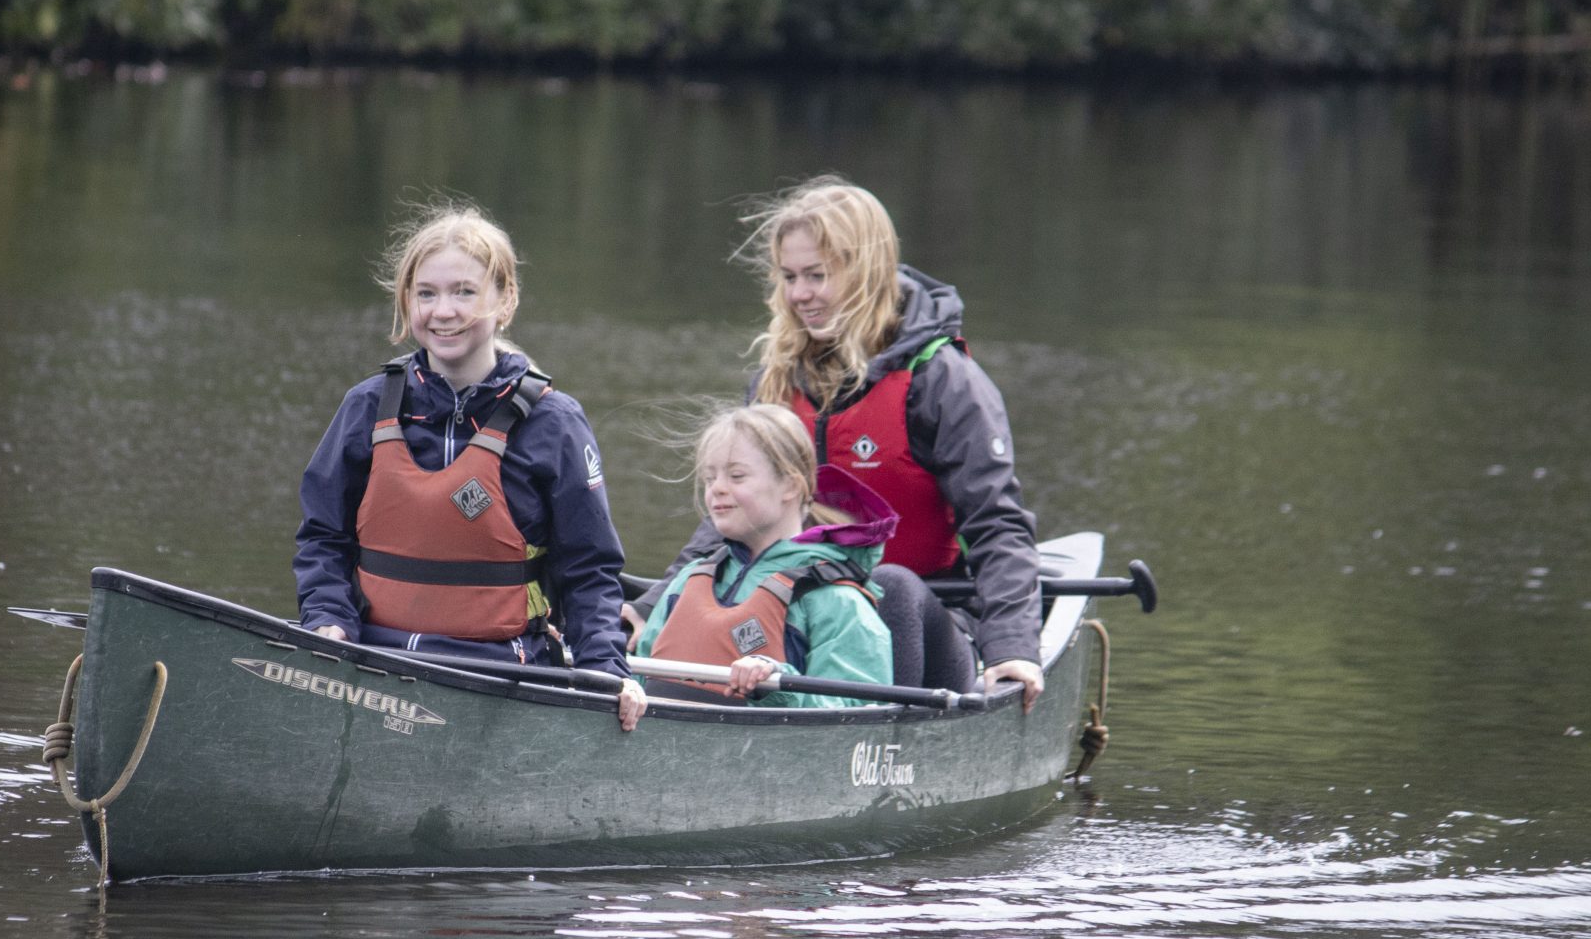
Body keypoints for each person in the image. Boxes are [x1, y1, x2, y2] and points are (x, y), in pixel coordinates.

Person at [643, 177, 1046, 707]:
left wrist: (1013, 647)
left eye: (817, 275)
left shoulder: (942, 380)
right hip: (802, 607)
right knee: (703, 587)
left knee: (894, 585)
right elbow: (734, 508)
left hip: (929, 617)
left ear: (865, 272)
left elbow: (997, 525)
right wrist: (646, 605)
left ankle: (872, 743)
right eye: (789, 277)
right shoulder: (778, 380)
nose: (799, 294)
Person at [295, 202, 651, 732]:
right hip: (371, 665)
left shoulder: (554, 422)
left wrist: (605, 672)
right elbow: (323, 538)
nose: (443, 311)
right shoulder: (367, 406)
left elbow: (588, 570)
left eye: (465, 292)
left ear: (505, 301)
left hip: (499, 672)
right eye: (427, 294)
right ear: (407, 302)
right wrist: (326, 621)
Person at [631, 404, 895, 709]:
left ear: (790, 486)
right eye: (709, 478)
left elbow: (857, 719)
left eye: (737, 476)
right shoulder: (688, 580)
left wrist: (779, 683)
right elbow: (635, 677)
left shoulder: (837, 600)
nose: (717, 489)